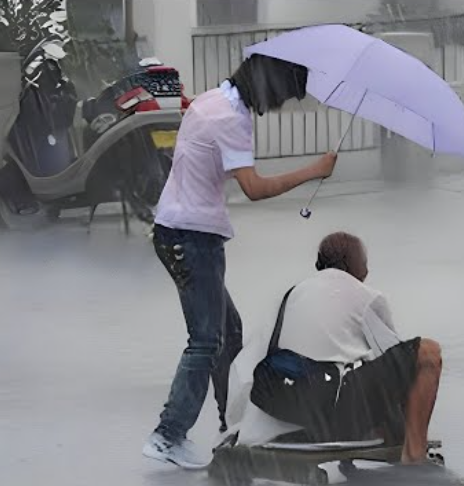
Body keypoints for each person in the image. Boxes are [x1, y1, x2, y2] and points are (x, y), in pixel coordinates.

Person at [143, 54, 338, 469]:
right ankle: (168, 434)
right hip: (192, 237)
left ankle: (229, 423)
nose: (281, 104)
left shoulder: (214, 99)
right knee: (206, 340)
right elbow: (253, 188)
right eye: (282, 95)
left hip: (178, 230)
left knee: (228, 331)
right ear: (268, 85)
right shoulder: (233, 118)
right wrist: (314, 171)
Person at [244, 232, 444, 465]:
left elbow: (253, 357)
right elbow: (396, 366)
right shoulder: (365, 296)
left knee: (352, 371)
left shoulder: (292, 293)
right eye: (365, 263)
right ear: (356, 264)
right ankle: (415, 458)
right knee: (426, 353)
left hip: (283, 400)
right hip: (330, 403)